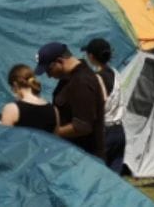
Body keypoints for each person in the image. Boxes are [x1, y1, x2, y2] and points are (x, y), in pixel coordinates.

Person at [35, 42, 105, 158]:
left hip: (85, 157)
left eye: (49, 70)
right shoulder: (68, 79)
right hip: (72, 153)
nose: (48, 76)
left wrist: (52, 133)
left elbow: (83, 126)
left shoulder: (82, 81)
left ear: (60, 61)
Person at [82, 38, 126, 174]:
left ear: (91, 56)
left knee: (96, 176)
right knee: (114, 178)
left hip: (103, 132)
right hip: (119, 130)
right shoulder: (116, 73)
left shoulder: (96, 78)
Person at [0, 64, 57, 132]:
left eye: (12, 88)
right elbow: (54, 139)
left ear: (15, 85)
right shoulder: (54, 110)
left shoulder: (12, 109)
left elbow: (4, 139)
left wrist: (1, 123)